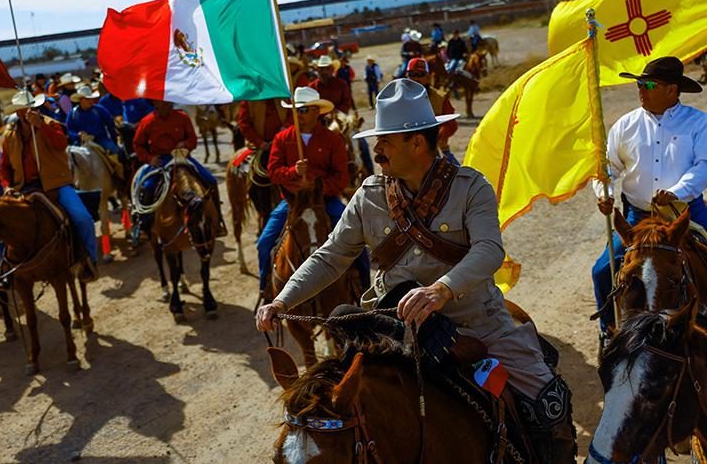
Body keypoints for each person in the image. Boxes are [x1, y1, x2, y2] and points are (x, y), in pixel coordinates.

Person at [256, 79, 576, 462]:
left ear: (416, 143)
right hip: (391, 331)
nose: (376, 151)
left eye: (385, 141)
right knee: (323, 412)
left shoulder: (471, 188)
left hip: (474, 322)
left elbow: (489, 250)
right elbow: (331, 255)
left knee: (547, 400)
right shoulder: (370, 196)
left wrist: (440, 290)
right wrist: (282, 300)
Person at [591, 56, 707, 342]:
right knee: (602, 271)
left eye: (649, 84)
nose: (641, 90)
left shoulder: (698, 123)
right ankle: (609, 333)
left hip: (686, 213)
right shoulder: (625, 125)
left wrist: (677, 192)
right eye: (640, 84)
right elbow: (606, 168)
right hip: (638, 218)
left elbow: (704, 165)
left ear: (672, 89)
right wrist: (603, 194)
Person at [255, 87, 362, 294]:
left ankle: (362, 285)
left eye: (304, 110)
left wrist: (317, 188)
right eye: (296, 110)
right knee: (264, 242)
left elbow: (341, 177)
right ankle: (266, 289)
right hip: (292, 203)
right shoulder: (282, 138)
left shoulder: (332, 139)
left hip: (325, 200)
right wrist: (293, 171)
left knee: (355, 238)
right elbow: (273, 172)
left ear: (317, 111)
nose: (299, 115)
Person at [0, 90, 99, 282]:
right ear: (18, 112)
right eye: (22, 109)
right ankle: (6, 270)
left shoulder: (51, 124)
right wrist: (6, 187)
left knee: (83, 218)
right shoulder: (10, 135)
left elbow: (61, 144)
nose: (26, 112)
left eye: (30, 108)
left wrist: (40, 126)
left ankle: (89, 261)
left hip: (56, 184)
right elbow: (4, 167)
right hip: (23, 187)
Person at [132, 100, 227, 236]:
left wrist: (186, 144)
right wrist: (149, 158)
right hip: (159, 160)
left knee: (210, 180)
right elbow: (137, 145)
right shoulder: (147, 122)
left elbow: (193, 140)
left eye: (168, 103)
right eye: (162, 103)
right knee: (147, 187)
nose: (166, 106)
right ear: (155, 104)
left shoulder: (182, 118)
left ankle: (217, 220)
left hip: (182, 157)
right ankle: (144, 224)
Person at [407, 58, 459, 164]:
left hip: (437, 150)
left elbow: (452, 124)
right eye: (412, 74)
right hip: (406, 151)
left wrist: (441, 132)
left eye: (420, 74)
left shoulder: (441, 98)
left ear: (427, 77)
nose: (416, 78)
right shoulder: (397, 101)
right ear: (407, 76)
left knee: (459, 176)